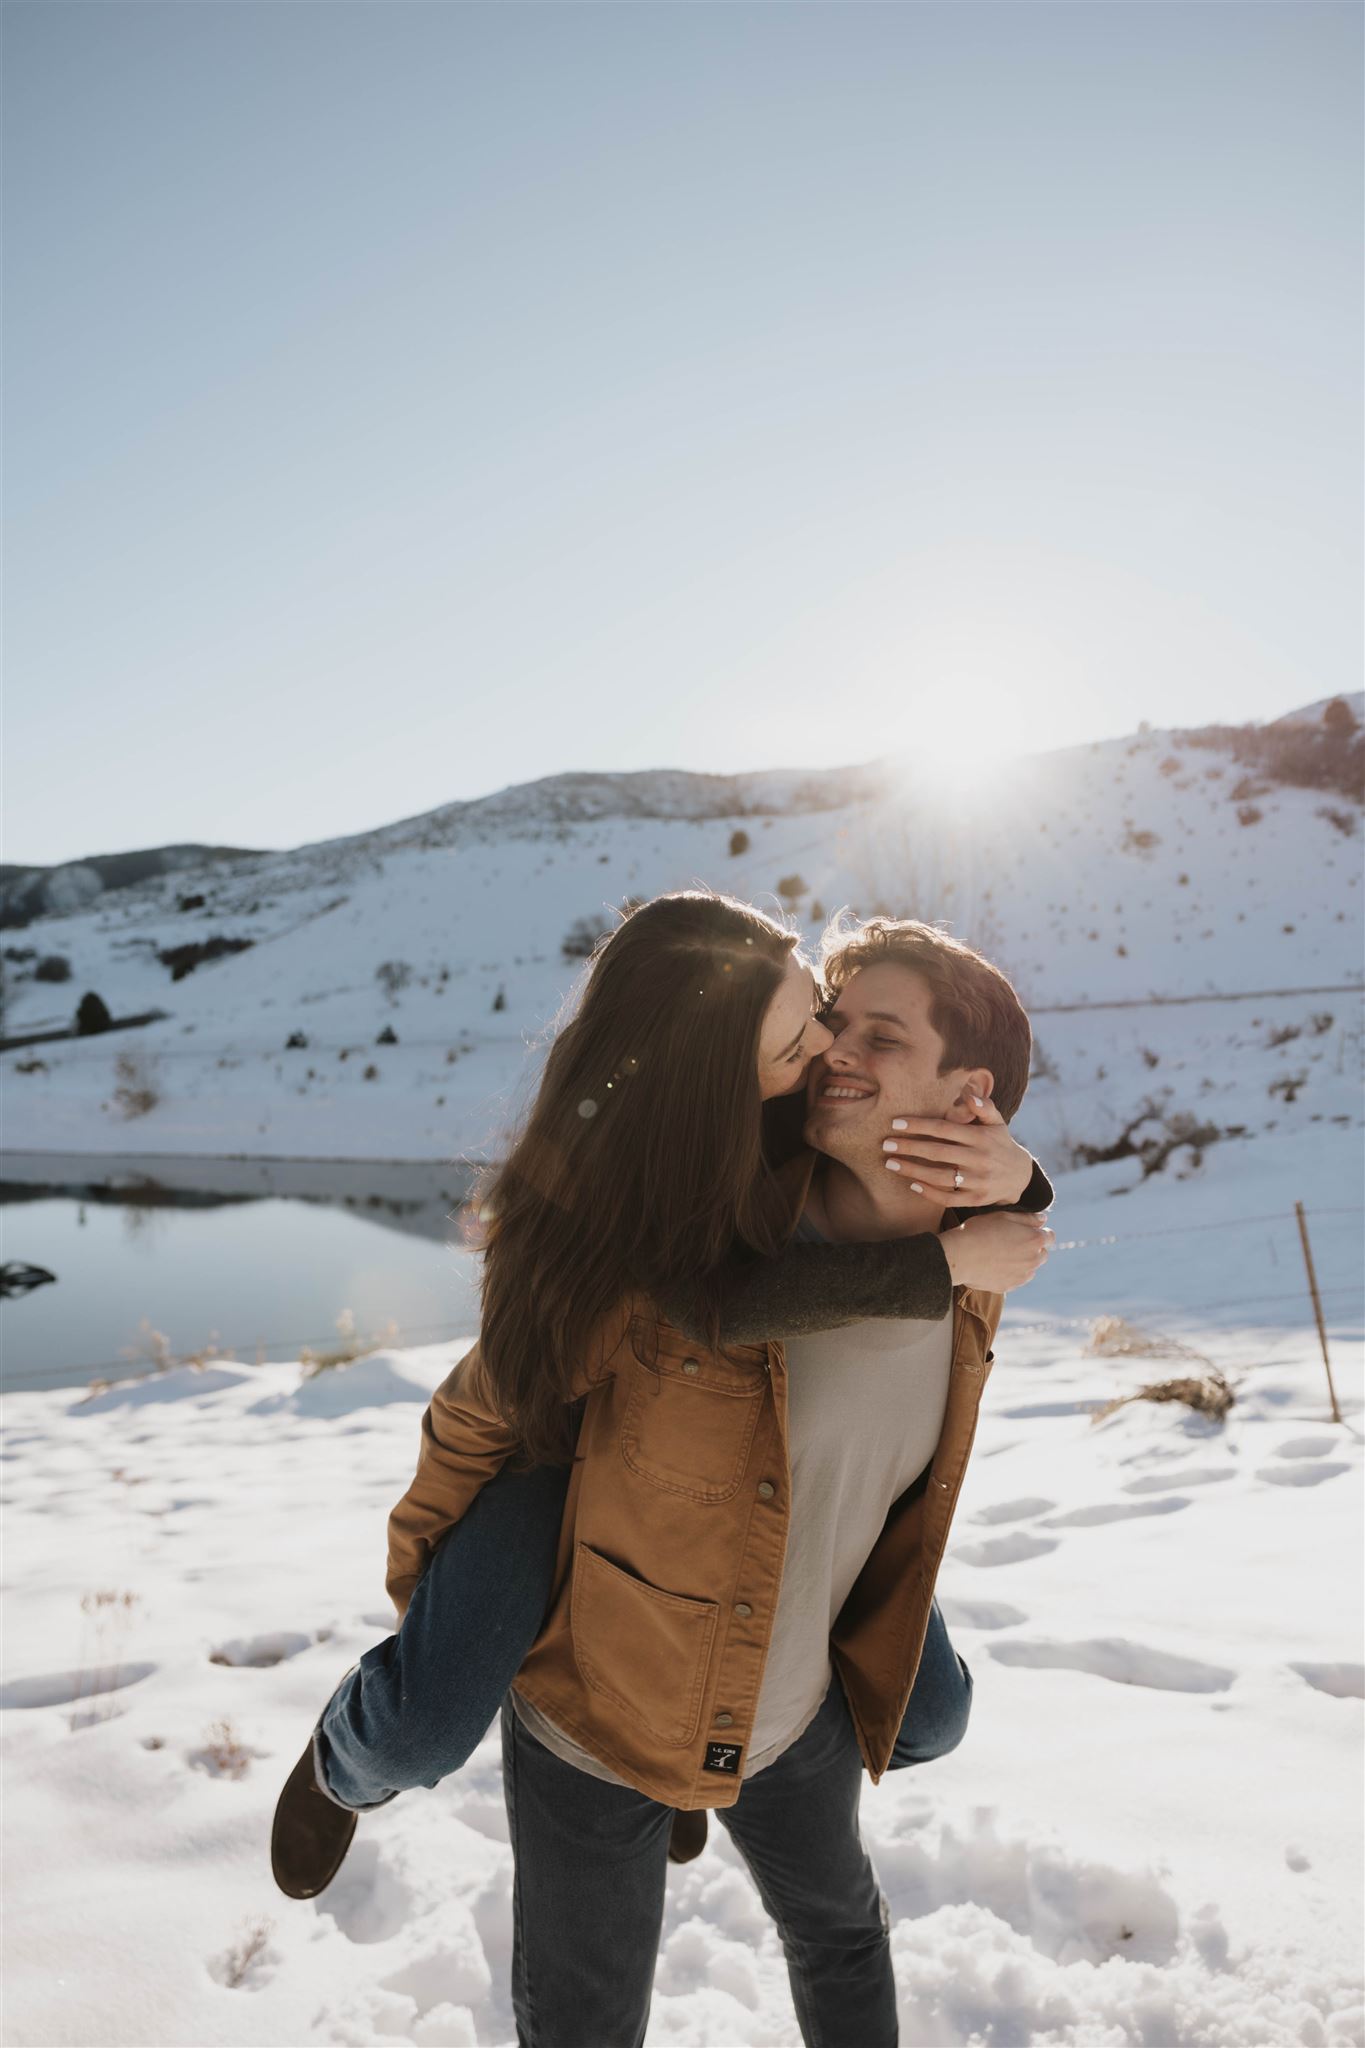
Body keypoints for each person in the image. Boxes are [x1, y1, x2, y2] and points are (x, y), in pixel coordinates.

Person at [271, 900, 1052, 1999]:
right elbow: (681, 1313)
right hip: (560, 1469)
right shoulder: (689, 1209)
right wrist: (427, 1576)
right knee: (420, 1725)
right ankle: (349, 1755)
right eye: (821, 1032)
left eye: (857, 1029)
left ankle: (695, 1770)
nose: (831, 1051)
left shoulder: (974, 1234)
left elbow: (952, 1153)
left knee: (932, 1715)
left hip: (787, 1589)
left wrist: (1017, 1180)